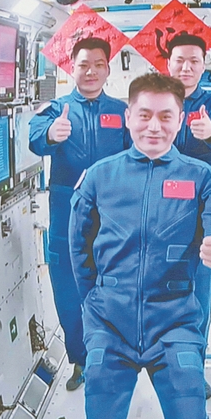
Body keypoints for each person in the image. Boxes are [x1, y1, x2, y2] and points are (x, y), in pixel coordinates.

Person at [69, 73, 211, 419]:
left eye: (166, 117)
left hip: (175, 323)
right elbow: (78, 246)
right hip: (109, 324)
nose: (154, 126)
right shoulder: (99, 177)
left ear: (180, 121)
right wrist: (94, 303)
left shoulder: (201, 177)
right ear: (128, 117)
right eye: (144, 115)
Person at [29, 37, 131, 391]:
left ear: (108, 69)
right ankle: (81, 360)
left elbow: (137, 155)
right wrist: (51, 135)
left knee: (114, 287)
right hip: (67, 215)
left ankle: (113, 357)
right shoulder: (56, 109)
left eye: (98, 64)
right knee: (69, 292)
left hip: (112, 215)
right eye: (83, 64)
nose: (91, 71)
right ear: (71, 67)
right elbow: (34, 138)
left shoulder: (121, 111)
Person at [166, 33, 211, 400]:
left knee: (199, 295)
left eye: (194, 60)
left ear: (204, 65)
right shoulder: (156, 99)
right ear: (168, 63)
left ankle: (196, 367)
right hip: (160, 208)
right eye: (180, 59)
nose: (186, 67)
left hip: (200, 206)